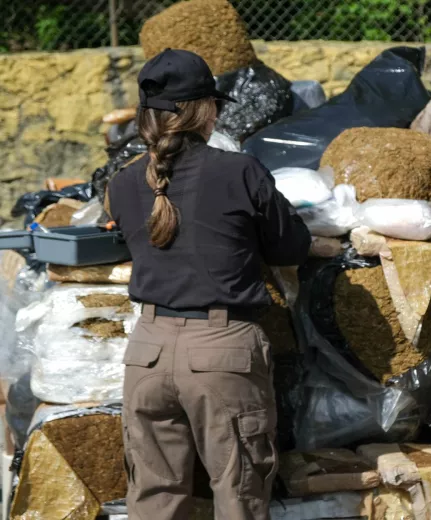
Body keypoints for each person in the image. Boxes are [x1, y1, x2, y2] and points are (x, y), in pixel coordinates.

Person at [105, 49, 311, 519]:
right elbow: (291, 249)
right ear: (205, 110)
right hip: (223, 353)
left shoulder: (123, 183)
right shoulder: (239, 170)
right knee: (239, 496)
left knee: (153, 500)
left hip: (147, 352)